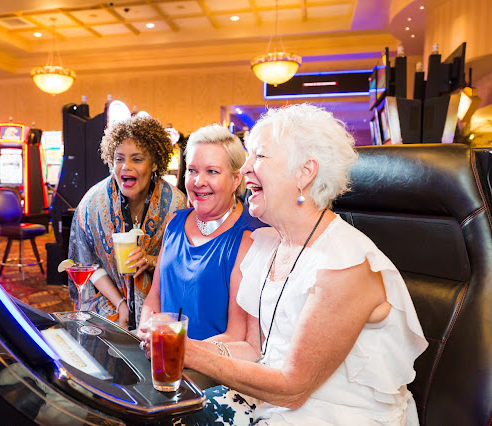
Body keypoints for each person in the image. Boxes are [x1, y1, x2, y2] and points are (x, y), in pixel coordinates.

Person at [167, 105, 429, 424]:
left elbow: (293, 389)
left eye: (260, 157)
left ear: (305, 172)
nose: (246, 169)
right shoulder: (267, 245)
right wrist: (178, 344)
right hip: (273, 400)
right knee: (169, 414)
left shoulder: (346, 264)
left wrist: (187, 353)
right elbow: (254, 351)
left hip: (335, 414)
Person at [138, 124, 266, 341]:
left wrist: (175, 349)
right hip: (162, 360)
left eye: (212, 171)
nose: (198, 182)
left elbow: (237, 336)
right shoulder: (175, 222)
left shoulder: (250, 235)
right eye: (192, 170)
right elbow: (153, 300)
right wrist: (147, 333)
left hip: (212, 369)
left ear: (236, 179)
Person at [68, 116, 186, 329]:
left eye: (137, 159)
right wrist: (121, 304)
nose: (126, 167)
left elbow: (183, 264)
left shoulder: (176, 205)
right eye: (119, 158)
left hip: (158, 309)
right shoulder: (92, 204)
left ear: (155, 163)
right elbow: (87, 264)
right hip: (107, 307)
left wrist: (150, 260)